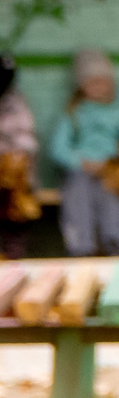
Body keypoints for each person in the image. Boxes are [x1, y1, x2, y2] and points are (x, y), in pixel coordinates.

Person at [50, 48, 119, 256]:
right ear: (81, 85)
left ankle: (115, 244)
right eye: (92, 82)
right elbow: (58, 148)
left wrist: (111, 161)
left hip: (111, 169)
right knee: (77, 194)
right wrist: (80, 162)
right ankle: (81, 247)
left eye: (102, 81)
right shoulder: (75, 113)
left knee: (114, 193)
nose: (98, 87)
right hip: (81, 169)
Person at [0, 56, 37, 259]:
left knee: (16, 195)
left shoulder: (15, 102)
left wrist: (15, 155)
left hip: (14, 173)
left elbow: (27, 138)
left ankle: (13, 251)